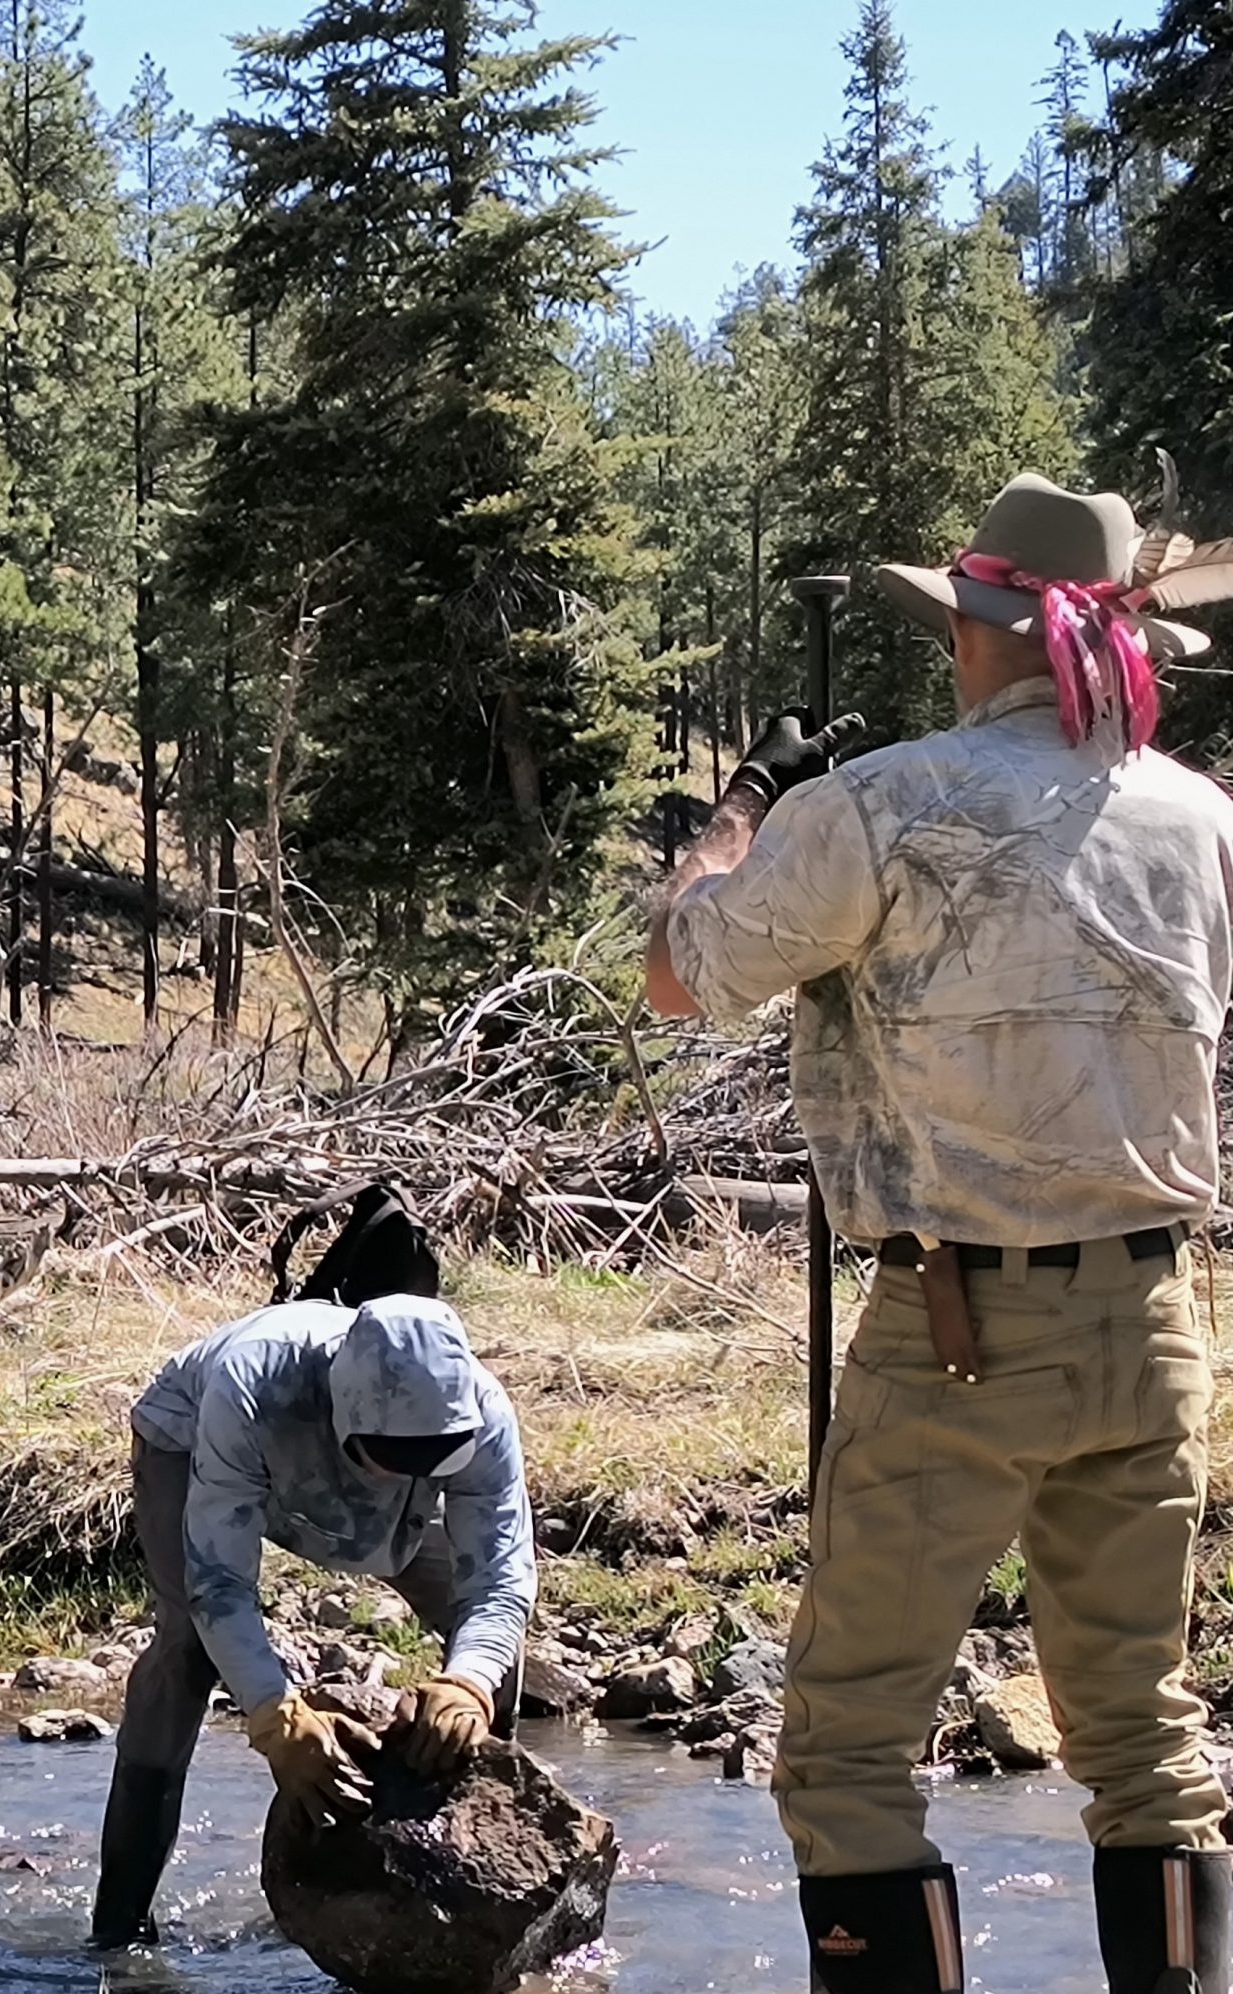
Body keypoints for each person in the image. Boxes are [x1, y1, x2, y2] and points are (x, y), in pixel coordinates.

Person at [647, 473, 1233, 1994]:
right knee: (1147, 1743)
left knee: (846, 1749)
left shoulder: (882, 803)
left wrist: (741, 813)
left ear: (987, 629)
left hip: (959, 1336)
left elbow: (679, 973)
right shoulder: (1203, 820)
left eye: (959, 623)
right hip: (1161, 1323)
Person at [89, 1189, 536, 1950]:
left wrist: (468, 1684)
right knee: (190, 1651)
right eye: (391, 1458)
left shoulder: (481, 1413)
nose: (405, 1477)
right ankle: (120, 1926)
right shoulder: (252, 1380)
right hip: (190, 1447)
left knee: (491, 1653)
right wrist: (274, 1715)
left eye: (431, 1461)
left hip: (372, 1516)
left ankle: (484, 1878)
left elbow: (499, 1575)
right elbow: (218, 1580)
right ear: (346, 1412)